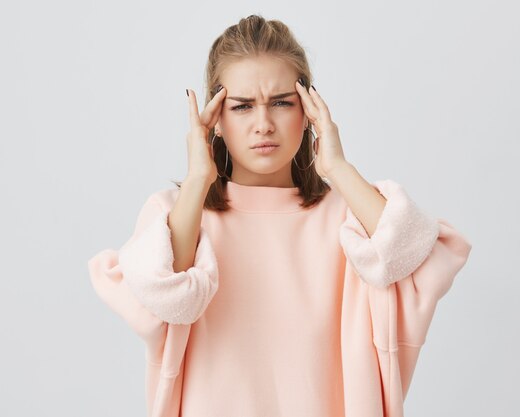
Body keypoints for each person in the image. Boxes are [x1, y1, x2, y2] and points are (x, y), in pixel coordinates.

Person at [87, 14, 472, 417]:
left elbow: (418, 255)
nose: (263, 125)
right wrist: (199, 178)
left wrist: (337, 167)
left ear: (308, 111)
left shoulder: (348, 219)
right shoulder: (175, 218)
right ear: (215, 120)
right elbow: (167, 299)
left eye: (282, 103)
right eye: (242, 107)